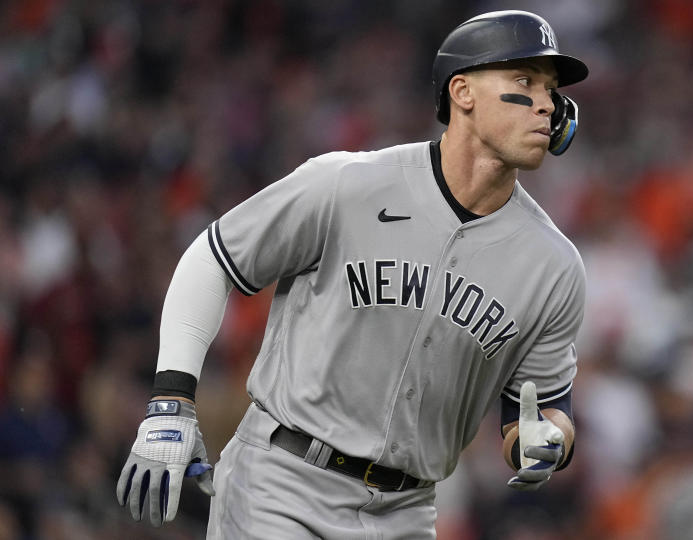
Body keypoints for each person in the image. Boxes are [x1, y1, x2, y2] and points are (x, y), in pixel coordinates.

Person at [115, 10, 589, 539]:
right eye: (525, 82)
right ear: (463, 92)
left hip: (407, 512)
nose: (548, 104)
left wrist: (548, 441)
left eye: (552, 90)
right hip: (282, 485)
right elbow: (212, 258)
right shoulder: (349, 184)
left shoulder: (554, 264)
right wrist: (171, 401)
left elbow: (545, 407)